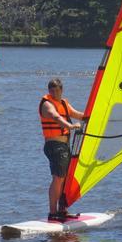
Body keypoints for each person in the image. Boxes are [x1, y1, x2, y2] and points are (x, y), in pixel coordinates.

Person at [39, 78, 84, 222]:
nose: (54, 92)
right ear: (49, 91)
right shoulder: (46, 104)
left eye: (57, 90)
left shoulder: (64, 103)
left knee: (65, 179)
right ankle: (53, 213)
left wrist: (95, 116)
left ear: (61, 90)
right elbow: (55, 116)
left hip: (64, 146)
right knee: (58, 178)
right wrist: (69, 126)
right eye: (51, 90)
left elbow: (77, 114)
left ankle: (62, 210)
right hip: (54, 146)